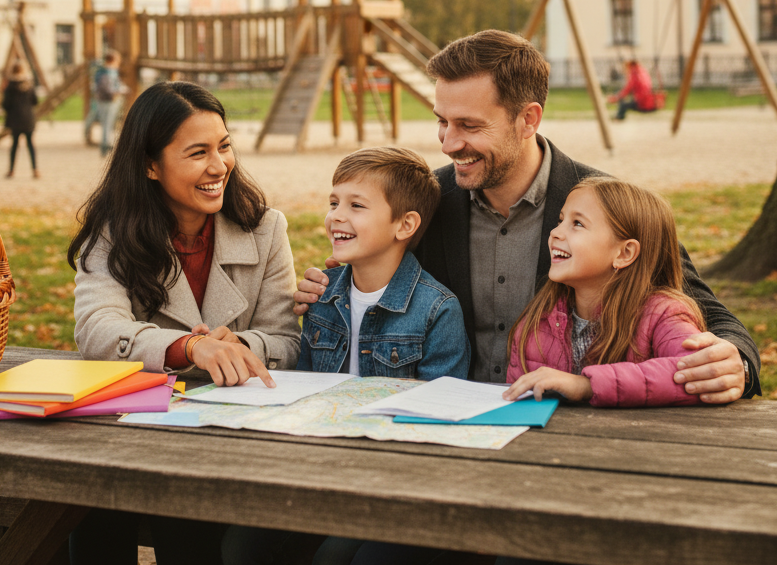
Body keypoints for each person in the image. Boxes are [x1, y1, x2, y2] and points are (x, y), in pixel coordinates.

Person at [295, 30, 760, 405]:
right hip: (443, 420)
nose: (448, 143)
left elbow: (708, 312)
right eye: (443, 121)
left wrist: (734, 360)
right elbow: (370, 274)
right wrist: (328, 286)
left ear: (528, 119)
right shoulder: (425, 202)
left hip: (567, 430)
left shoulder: (606, 209)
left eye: (470, 126)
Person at [67, 80, 301, 565]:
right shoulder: (112, 232)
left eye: (225, 146)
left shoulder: (266, 227)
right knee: (90, 504)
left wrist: (234, 343)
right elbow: (96, 330)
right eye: (198, 153)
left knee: (187, 512)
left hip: (233, 438)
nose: (219, 166)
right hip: (133, 436)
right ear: (151, 165)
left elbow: (287, 341)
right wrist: (190, 349)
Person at [223, 146, 469, 565]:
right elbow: (300, 391)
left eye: (356, 206)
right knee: (240, 546)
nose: (337, 215)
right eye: (334, 202)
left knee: (336, 559)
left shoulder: (437, 309)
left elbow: (437, 419)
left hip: (393, 482)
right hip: (319, 470)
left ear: (405, 224)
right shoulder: (322, 297)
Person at [504, 176, 706, 407]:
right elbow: (516, 403)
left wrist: (586, 386)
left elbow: (697, 371)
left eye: (577, 224)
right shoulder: (537, 322)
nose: (556, 233)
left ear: (624, 253)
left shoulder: (662, 314)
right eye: (560, 221)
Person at [1, 61, 39, 179]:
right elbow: (35, 101)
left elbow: (5, 104)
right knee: (30, 144)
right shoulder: (29, 85)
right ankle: (35, 169)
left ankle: (11, 170)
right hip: (28, 118)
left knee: (14, 145)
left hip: (15, 120)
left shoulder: (10, 87)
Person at [94, 49, 126, 155]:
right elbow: (107, 89)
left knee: (108, 123)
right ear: (112, 60)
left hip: (106, 100)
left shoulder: (106, 72)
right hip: (107, 100)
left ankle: (106, 143)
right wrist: (119, 91)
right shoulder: (106, 73)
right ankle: (105, 145)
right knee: (107, 123)